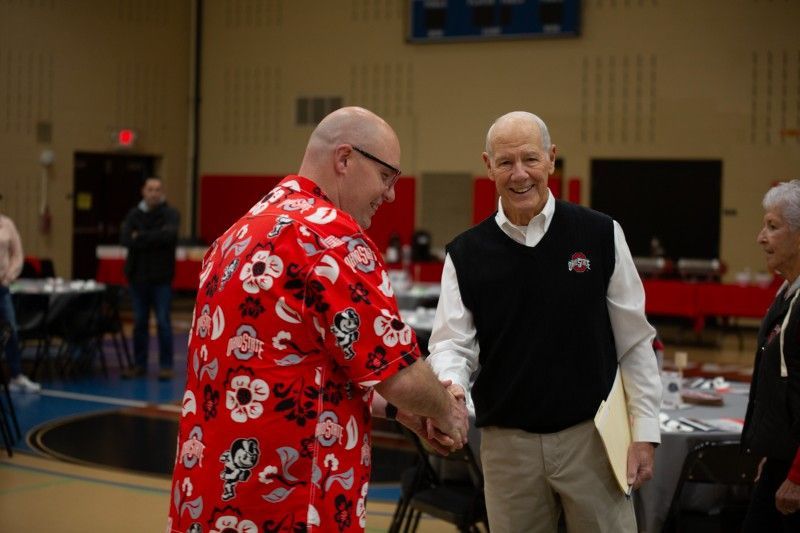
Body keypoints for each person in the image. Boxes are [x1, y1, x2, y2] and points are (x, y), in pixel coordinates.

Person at [166, 106, 468, 532]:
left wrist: (398, 411)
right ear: (345, 159)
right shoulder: (333, 240)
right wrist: (445, 410)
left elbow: (295, 364)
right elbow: (396, 372)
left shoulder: (235, 235)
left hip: (209, 497)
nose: (391, 195)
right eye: (387, 177)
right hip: (292, 501)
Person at [427, 111, 662, 532]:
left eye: (530, 159)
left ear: (552, 159)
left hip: (592, 438)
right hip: (506, 448)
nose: (520, 174)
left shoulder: (601, 234)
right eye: (505, 162)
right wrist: (452, 388)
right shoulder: (465, 254)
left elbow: (635, 342)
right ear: (488, 166)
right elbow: (451, 344)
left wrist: (644, 430)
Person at [741, 180, 800, 531]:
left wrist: (796, 472)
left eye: (773, 227)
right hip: (783, 459)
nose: (761, 237)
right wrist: (774, 452)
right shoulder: (787, 290)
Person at [120, 176, 180, 380]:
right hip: (138, 278)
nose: (154, 193)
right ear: (143, 191)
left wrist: (141, 236)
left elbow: (169, 236)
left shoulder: (171, 214)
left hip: (162, 278)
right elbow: (126, 239)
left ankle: (166, 366)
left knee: (163, 321)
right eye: (150, 189)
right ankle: (139, 365)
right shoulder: (133, 215)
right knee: (139, 323)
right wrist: (154, 236)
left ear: (162, 192)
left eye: (157, 189)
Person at [0, 211, 41, 393]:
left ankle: (16, 375)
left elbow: (17, 254)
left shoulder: (7, 224)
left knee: (11, 331)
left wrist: (8, 276)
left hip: (2, 287)